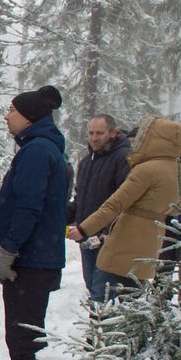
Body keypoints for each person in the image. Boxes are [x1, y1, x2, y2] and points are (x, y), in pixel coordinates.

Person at [0, 85, 69, 360]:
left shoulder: (36, 151)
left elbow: (28, 207)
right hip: (39, 254)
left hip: (30, 257)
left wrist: (9, 250)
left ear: (29, 117)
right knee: (29, 324)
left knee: (22, 327)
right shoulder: (42, 147)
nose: (7, 116)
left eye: (12, 110)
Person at [67, 115, 181, 300]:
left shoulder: (146, 169)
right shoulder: (175, 170)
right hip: (150, 241)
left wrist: (84, 228)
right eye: (91, 133)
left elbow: (116, 203)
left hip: (123, 239)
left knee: (102, 297)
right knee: (129, 298)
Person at [67, 114, 131, 297]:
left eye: (100, 133)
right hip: (86, 236)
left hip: (110, 239)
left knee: (105, 293)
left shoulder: (124, 158)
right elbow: (81, 198)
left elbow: (124, 200)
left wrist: (109, 232)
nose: (94, 138)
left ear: (113, 133)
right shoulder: (87, 162)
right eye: (91, 133)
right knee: (93, 288)